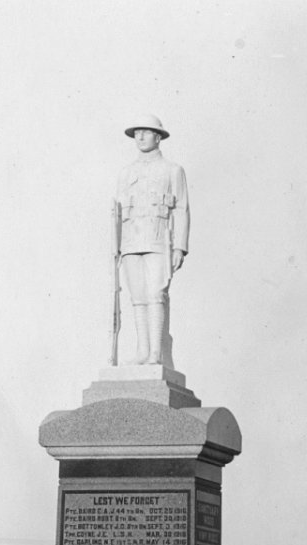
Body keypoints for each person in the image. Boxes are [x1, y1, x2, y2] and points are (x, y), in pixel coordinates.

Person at [115, 114, 190, 366]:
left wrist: (180, 246)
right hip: (131, 242)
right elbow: (116, 212)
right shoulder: (126, 173)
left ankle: (156, 352)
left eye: (146, 132)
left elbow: (181, 209)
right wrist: (115, 246)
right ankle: (142, 350)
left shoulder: (172, 170)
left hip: (159, 240)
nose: (140, 137)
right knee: (137, 297)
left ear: (158, 137)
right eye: (136, 133)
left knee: (156, 294)